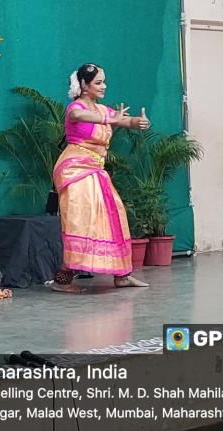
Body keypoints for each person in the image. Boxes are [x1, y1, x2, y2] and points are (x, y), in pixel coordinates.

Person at [52, 63, 151, 293]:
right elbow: (78, 115)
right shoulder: (75, 108)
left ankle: (122, 276)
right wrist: (110, 120)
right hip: (75, 169)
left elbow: (124, 120)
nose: (103, 86)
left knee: (114, 215)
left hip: (96, 169)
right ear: (84, 85)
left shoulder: (103, 110)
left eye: (104, 82)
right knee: (82, 221)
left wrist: (138, 122)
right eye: (98, 82)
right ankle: (62, 280)